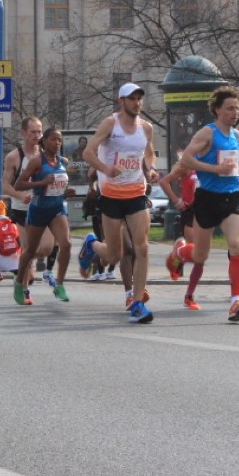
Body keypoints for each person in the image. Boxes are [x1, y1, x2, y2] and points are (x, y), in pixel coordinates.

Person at [170, 85, 239, 323]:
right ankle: (179, 251)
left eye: (237, 109)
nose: (234, 113)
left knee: (237, 245)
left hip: (231, 198)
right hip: (207, 199)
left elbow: (230, 162)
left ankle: (234, 302)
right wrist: (213, 169)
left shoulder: (236, 136)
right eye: (229, 108)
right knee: (200, 256)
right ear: (218, 110)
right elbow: (187, 158)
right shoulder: (207, 133)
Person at [79, 82, 159, 324]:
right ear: (121, 101)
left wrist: (151, 169)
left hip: (136, 193)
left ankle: (137, 303)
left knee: (142, 247)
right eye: (132, 99)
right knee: (114, 255)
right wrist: (106, 169)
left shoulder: (146, 128)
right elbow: (88, 152)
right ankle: (92, 245)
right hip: (111, 195)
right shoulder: (110, 124)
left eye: (139, 99)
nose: (137, 103)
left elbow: (149, 152)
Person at [13, 127, 74, 305]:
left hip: (57, 209)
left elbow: (57, 187)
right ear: (44, 141)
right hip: (39, 210)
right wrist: (41, 182)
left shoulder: (63, 161)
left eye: (59, 140)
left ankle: (60, 284)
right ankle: (18, 284)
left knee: (66, 244)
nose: (57, 143)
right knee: (30, 251)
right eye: (53, 139)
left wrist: (65, 192)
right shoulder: (36, 161)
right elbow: (18, 185)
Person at [2, 117, 57, 286]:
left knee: (46, 248)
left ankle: (26, 262)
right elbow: (5, 185)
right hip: (21, 211)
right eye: (33, 132)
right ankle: (22, 289)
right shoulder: (14, 157)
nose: (37, 135)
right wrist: (20, 196)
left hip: (43, 208)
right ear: (23, 133)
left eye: (39, 131)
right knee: (27, 249)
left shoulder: (46, 154)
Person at [158, 157, 203, 310]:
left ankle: (189, 296)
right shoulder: (186, 165)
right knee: (197, 255)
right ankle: (178, 253)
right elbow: (163, 181)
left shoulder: (210, 163)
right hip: (190, 213)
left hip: (205, 213)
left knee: (200, 258)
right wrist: (177, 201)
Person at [0, 200, 22, 285]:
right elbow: (19, 241)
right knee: (15, 258)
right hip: (14, 259)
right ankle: (19, 276)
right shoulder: (13, 225)